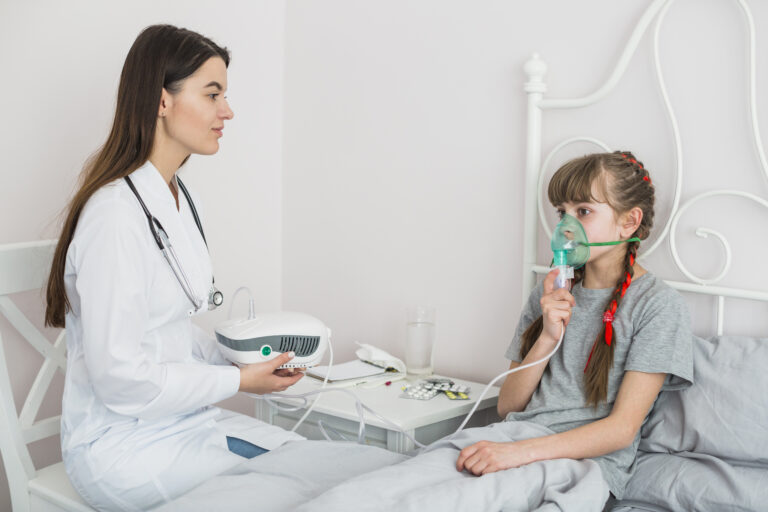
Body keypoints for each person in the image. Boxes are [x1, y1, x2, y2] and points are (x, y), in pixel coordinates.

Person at [295, 151, 693, 511]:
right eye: (562, 212)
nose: (567, 226)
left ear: (629, 222)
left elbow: (622, 430)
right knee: (376, 490)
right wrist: (548, 337)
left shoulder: (657, 306)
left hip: (581, 465)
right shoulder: (551, 289)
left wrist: (518, 454)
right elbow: (508, 407)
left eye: (584, 211)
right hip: (513, 437)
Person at [45, 25, 305, 511]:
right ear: (161, 101)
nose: (226, 111)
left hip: (185, 420)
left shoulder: (181, 197)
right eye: (212, 95)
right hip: (121, 447)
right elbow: (121, 379)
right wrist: (238, 382)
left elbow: (170, 332)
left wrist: (242, 360)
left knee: (309, 465)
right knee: (285, 495)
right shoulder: (113, 217)